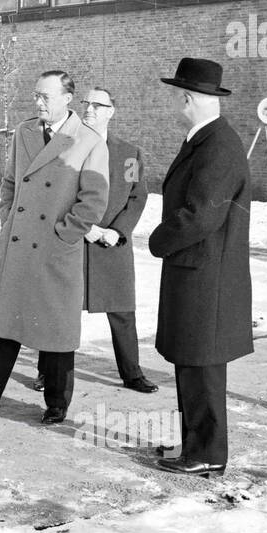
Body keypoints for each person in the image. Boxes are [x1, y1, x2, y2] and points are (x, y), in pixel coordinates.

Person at [0, 70, 109, 424]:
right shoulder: (24, 131)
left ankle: (57, 404)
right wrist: (10, 220)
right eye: (36, 95)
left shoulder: (87, 140)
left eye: (45, 97)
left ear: (68, 98)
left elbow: (93, 201)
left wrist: (64, 234)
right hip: (20, 245)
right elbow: (9, 183)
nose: (38, 102)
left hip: (56, 248)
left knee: (55, 331)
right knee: (6, 327)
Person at [147, 57, 253, 476]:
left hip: (206, 277)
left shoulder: (217, 146)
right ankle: (196, 445)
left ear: (190, 98)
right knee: (191, 363)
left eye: (181, 96)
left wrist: (160, 239)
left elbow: (201, 213)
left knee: (202, 367)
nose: (179, 104)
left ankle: (207, 453)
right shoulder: (209, 140)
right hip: (199, 272)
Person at [78, 88, 158, 393]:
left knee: (123, 311)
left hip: (113, 244)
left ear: (112, 111)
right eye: (86, 103)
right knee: (62, 309)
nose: (90, 109)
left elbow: (137, 196)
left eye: (99, 105)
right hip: (75, 241)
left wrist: (117, 231)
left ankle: (132, 373)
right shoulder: (66, 147)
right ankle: (50, 371)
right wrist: (85, 228)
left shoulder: (128, 153)